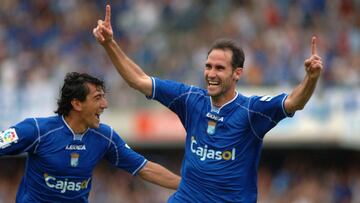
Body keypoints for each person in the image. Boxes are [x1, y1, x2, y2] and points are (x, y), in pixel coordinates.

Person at [93, 5, 323, 203]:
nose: (211, 74)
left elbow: (294, 102)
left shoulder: (252, 111)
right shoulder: (189, 99)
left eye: (220, 68)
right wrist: (109, 45)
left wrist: (310, 79)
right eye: (208, 66)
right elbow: (139, 80)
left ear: (237, 73)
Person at [0, 72, 180, 202]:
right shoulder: (37, 130)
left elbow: (145, 168)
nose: (105, 105)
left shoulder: (105, 137)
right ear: (77, 103)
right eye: (98, 98)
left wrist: (189, 185)